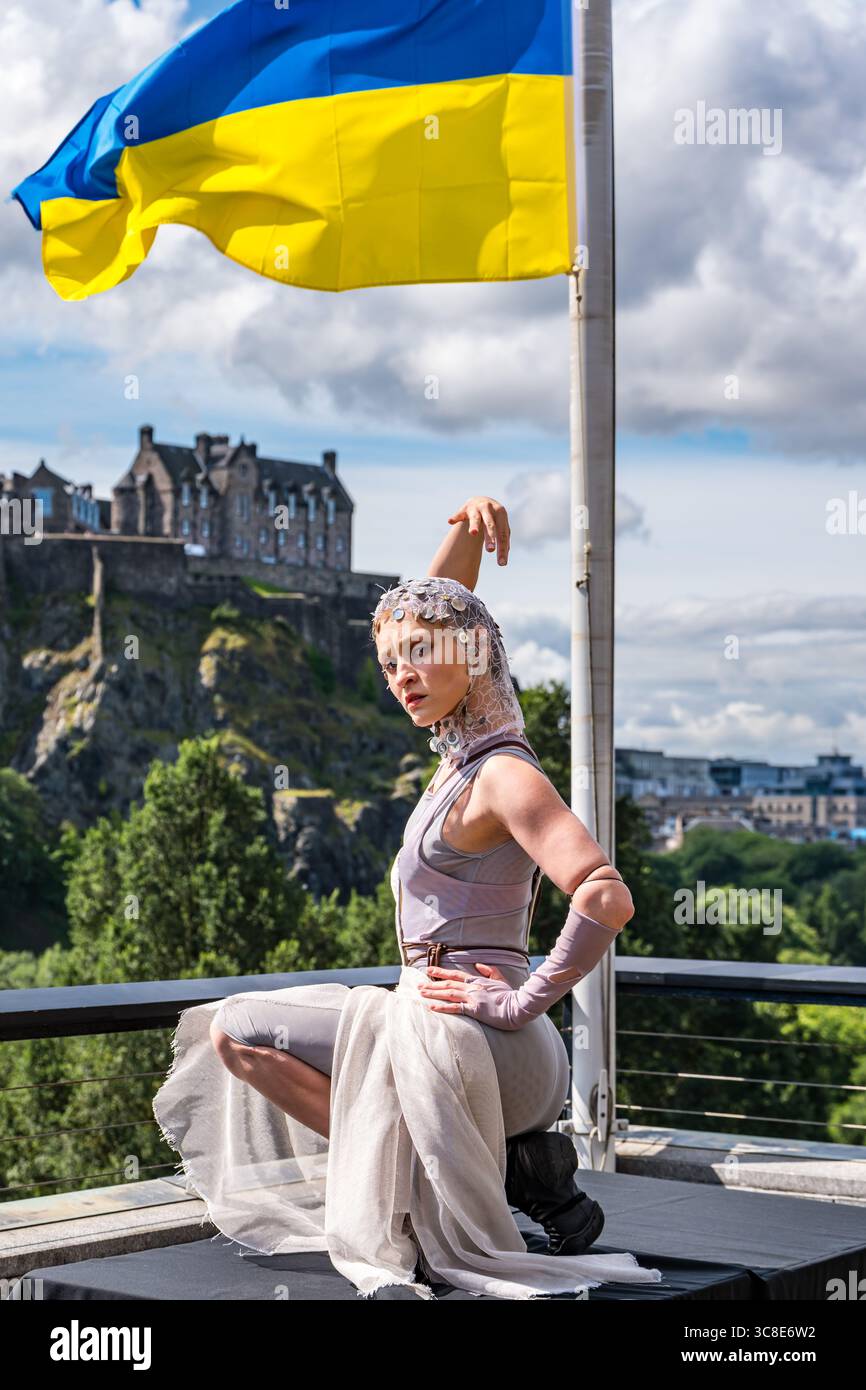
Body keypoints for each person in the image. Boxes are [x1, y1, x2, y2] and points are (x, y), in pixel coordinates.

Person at [204, 497, 635, 1269]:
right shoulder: (467, 757)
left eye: (415, 662)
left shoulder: (501, 772)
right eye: (389, 666)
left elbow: (605, 892)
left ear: (472, 657)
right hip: (499, 1061)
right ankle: (513, 1169)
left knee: (234, 1031)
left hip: (481, 1042)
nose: (401, 677)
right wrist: (462, 534)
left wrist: (519, 997)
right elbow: (432, 617)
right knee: (265, 1039)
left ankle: (482, 1171)